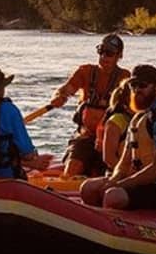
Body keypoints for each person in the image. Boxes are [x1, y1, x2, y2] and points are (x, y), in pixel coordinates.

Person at [80, 64, 156, 211]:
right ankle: (92, 229)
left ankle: (117, 228)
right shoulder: (137, 119)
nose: (137, 90)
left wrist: (121, 185)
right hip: (141, 183)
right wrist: (114, 180)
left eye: (142, 85)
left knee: (114, 196)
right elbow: (123, 164)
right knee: (88, 188)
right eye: (133, 85)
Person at [50, 33, 130, 177]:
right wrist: (59, 96)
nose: (104, 57)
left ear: (119, 56)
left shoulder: (125, 77)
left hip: (111, 140)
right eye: (101, 51)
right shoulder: (85, 71)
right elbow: (66, 89)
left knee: (106, 171)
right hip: (85, 136)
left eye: (110, 53)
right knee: (73, 168)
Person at [94, 78, 134, 172]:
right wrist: (130, 176)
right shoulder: (117, 121)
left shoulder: (147, 117)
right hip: (119, 174)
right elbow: (109, 158)